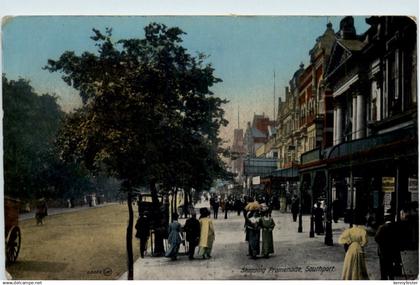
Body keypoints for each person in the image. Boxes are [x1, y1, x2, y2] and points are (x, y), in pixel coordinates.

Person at [338, 213, 369, 280]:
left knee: (349, 264)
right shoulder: (363, 231)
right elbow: (365, 242)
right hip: (359, 249)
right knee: (359, 266)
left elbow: (340, 240)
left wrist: (348, 241)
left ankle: (349, 278)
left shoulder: (349, 231)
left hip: (351, 249)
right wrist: (360, 244)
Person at [374, 215, 402, 280]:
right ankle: (391, 279)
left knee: (383, 268)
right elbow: (398, 240)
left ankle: (384, 280)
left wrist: (382, 243)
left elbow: (376, 238)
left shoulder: (381, 227)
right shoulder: (395, 227)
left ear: (385, 219)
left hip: (383, 251)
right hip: (392, 251)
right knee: (390, 267)